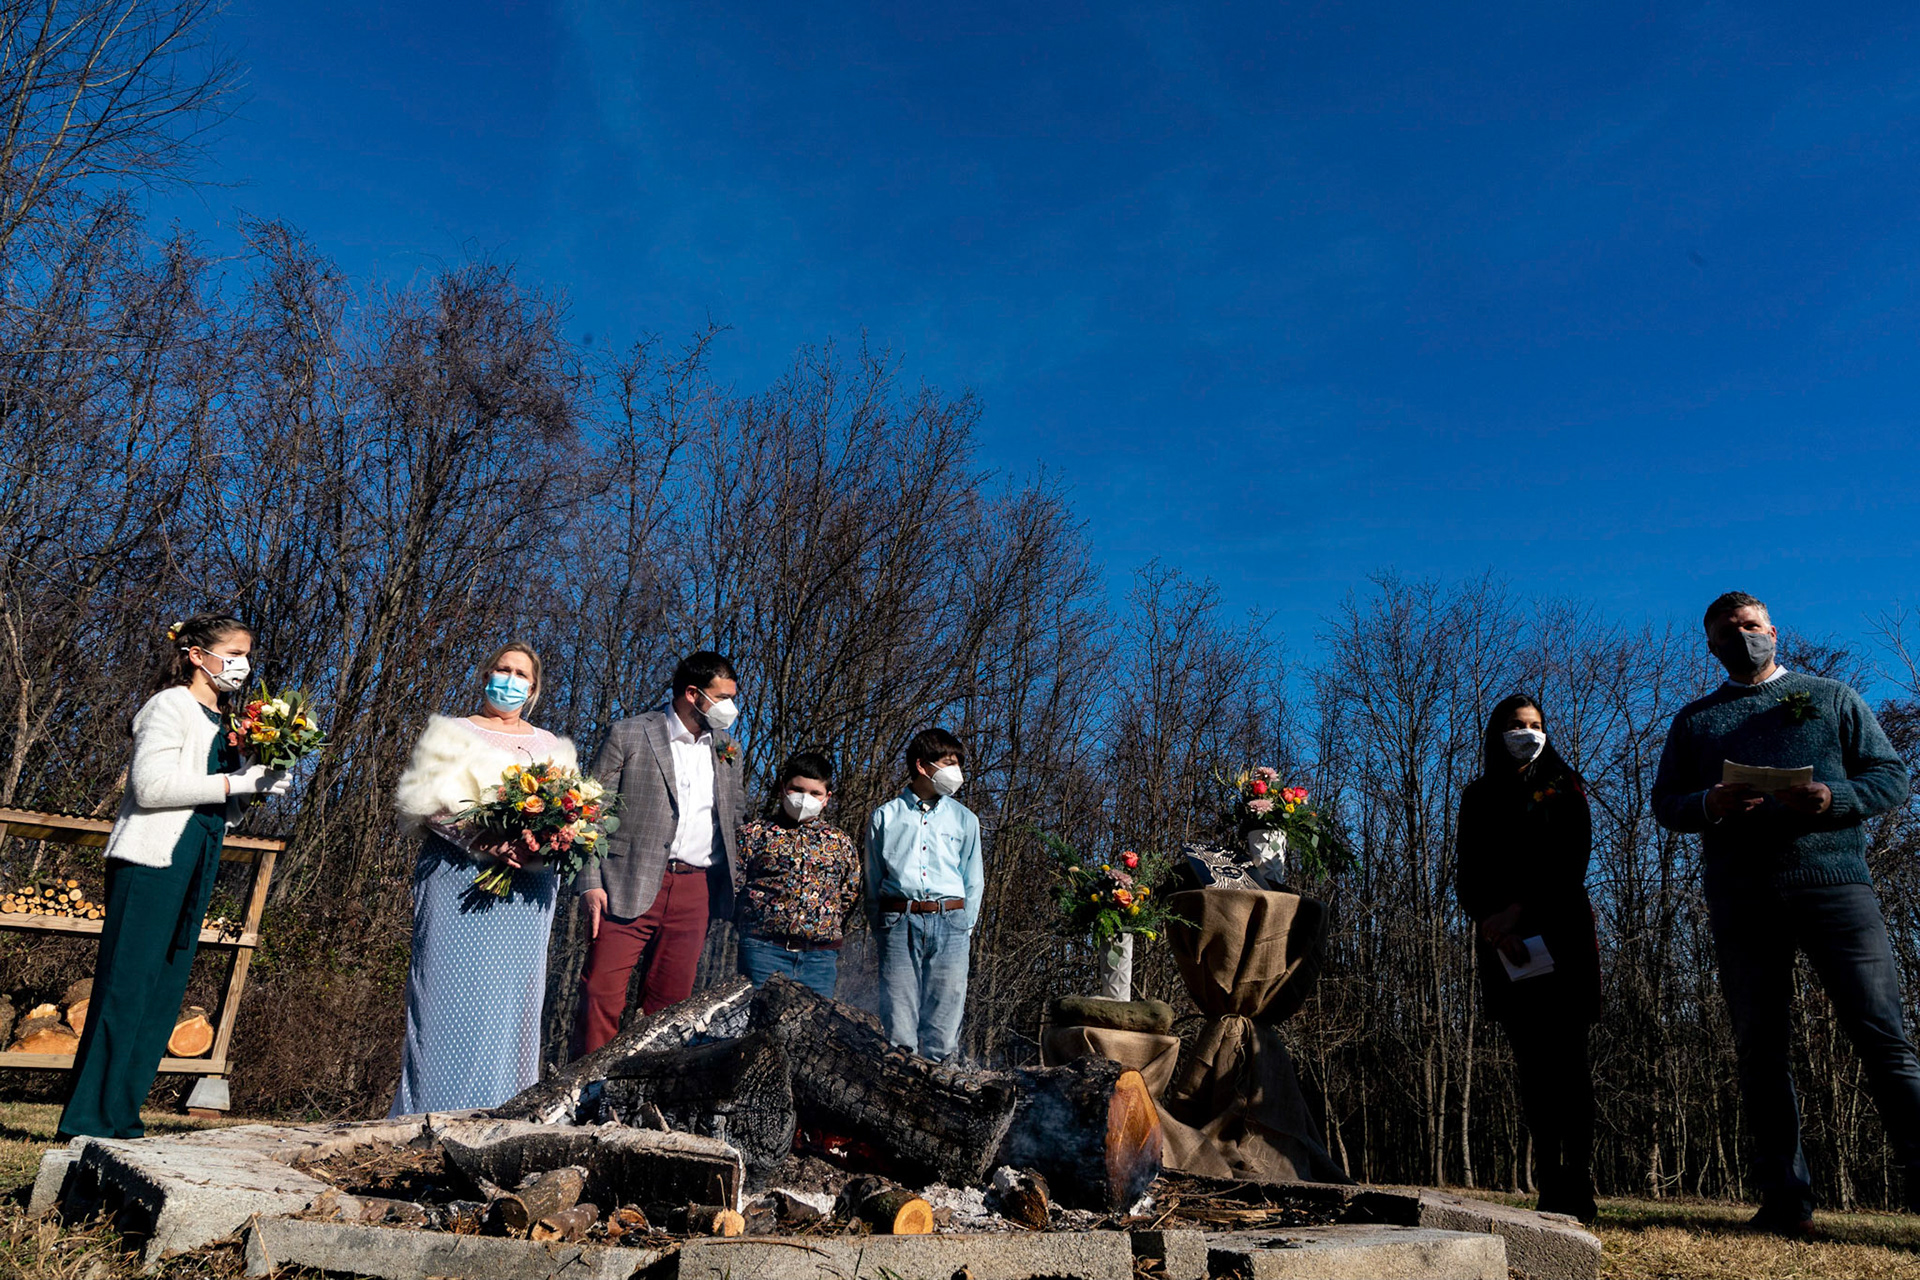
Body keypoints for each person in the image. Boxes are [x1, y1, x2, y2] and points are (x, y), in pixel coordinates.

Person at [1653, 590, 1916, 1235]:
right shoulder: (1695, 721)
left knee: (1883, 1037)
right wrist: (1710, 804)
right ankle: (1785, 1203)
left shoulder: (1832, 697)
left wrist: (1833, 797)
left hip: (1836, 886)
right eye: (1728, 631)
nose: (1743, 637)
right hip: (1742, 896)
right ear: (1712, 646)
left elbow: (1893, 778)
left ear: (1774, 629)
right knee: (1760, 1049)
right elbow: (1667, 803)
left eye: (1751, 625)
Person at [58, 615, 293, 1139]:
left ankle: (122, 1117)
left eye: (247, 654)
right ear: (196, 655)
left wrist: (254, 786)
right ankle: (86, 1119)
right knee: (126, 987)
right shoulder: (169, 706)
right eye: (233, 652)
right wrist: (233, 783)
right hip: (150, 861)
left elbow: (215, 807)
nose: (243, 664)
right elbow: (152, 787)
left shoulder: (226, 721)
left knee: (163, 992)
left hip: (197, 859)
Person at [389, 641, 576, 1116]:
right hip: (456, 878)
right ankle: (428, 1114)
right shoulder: (451, 732)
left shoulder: (553, 747)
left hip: (529, 892)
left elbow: (571, 818)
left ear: (533, 689)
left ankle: (504, 1113)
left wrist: (536, 847)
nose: (509, 680)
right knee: (445, 1001)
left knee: (511, 1005)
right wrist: (482, 840)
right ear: (486, 673)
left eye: (521, 675)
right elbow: (422, 801)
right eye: (502, 669)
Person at [1455, 694, 1601, 1223]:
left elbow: (1571, 861)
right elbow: (1467, 873)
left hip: (1561, 938)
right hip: (1506, 948)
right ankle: (1548, 1184)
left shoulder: (1565, 786)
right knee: (1533, 1068)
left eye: (1537, 724)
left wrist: (1519, 910)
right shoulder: (1477, 796)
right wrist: (1494, 925)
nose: (1528, 732)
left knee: (1569, 1064)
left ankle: (1579, 1182)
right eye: (1518, 725)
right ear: (1498, 732)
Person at [571, 652, 745, 1056]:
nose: (730, 708)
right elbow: (590, 812)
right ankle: (582, 1094)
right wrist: (590, 884)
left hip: (696, 890)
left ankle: (643, 1094)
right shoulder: (629, 734)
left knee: (671, 1005)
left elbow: (735, 817)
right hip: (625, 882)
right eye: (722, 697)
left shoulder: (728, 750)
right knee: (600, 992)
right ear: (692, 693)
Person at [865, 728, 981, 1061]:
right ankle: (900, 1079)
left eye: (958, 763)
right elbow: (873, 878)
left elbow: (973, 879)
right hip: (898, 918)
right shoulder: (884, 817)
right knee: (899, 1012)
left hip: (952, 919)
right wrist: (882, 924)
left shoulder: (965, 820)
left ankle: (941, 1079)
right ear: (921, 765)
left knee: (946, 1009)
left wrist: (964, 925)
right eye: (948, 762)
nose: (956, 771)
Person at [734, 751, 862, 998]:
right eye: (797, 789)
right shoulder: (754, 834)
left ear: (827, 798)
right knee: (756, 1029)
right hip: (763, 951)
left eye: (815, 793)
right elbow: (734, 886)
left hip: (819, 959)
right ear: (783, 788)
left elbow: (849, 893)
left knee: (810, 1030)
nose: (805, 799)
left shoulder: (840, 842)